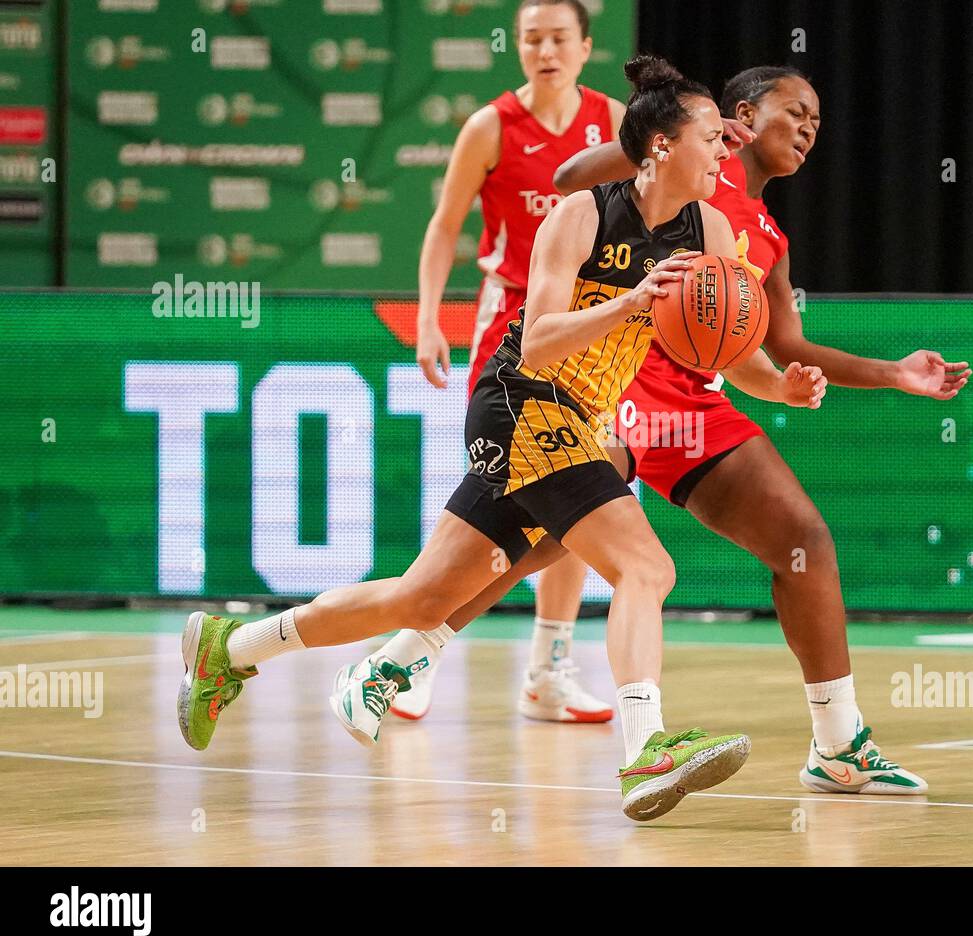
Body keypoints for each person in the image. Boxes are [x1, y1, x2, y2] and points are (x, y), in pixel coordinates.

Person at [176, 55, 826, 822]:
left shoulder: (711, 226)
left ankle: (234, 648)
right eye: (713, 136)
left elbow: (728, 347)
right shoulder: (582, 215)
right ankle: (645, 752)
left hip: (575, 416)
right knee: (646, 568)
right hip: (522, 400)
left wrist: (775, 382)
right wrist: (629, 304)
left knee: (422, 594)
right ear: (661, 148)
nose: (727, 151)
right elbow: (542, 341)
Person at [390, 66, 973, 796]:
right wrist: (659, 142)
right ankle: (415, 646)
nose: (807, 128)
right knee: (550, 530)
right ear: (739, 116)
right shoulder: (688, 168)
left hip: (698, 401)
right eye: (794, 111)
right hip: (621, 383)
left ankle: (838, 745)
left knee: (805, 542)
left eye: (817, 121)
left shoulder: (763, 233)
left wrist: (892, 373)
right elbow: (573, 173)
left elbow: (781, 350)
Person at [405, 0, 623, 723]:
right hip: (511, 321)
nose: (546, 49)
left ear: (586, 46)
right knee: (496, 485)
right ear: (517, 47)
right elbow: (443, 226)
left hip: (590, 326)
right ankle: (416, 645)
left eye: (560, 37)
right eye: (532, 38)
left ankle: (549, 663)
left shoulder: (616, 122)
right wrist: (431, 316)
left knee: (587, 486)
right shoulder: (491, 126)